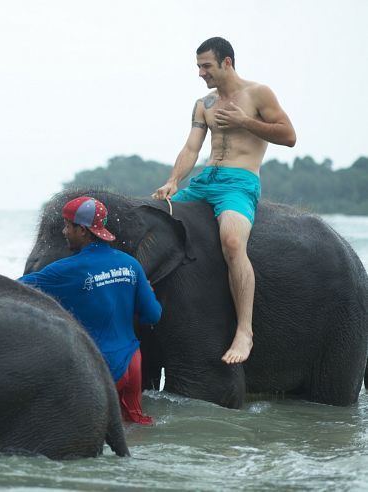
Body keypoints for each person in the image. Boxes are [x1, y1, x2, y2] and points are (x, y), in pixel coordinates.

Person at [153, 36, 296, 365]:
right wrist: (174, 181)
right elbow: (192, 148)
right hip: (204, 180)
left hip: (239, 183)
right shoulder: (204, 103)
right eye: (199, 67)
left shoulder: (258, 93)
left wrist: (244, 122)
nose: (201, 73)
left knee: (232, 242)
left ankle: (244, 331)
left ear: (227, 62)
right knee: (156, 217)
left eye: (206, 66)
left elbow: (289, 136)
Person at [19, 196, 161, 424]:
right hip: (132, 363)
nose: (64, 232)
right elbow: (153, 315)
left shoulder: (65, 270)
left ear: (83, 231)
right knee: (134, 428)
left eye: (68, 226)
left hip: (98, 366)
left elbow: (15, 288)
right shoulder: (130, 264)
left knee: (83, 429)